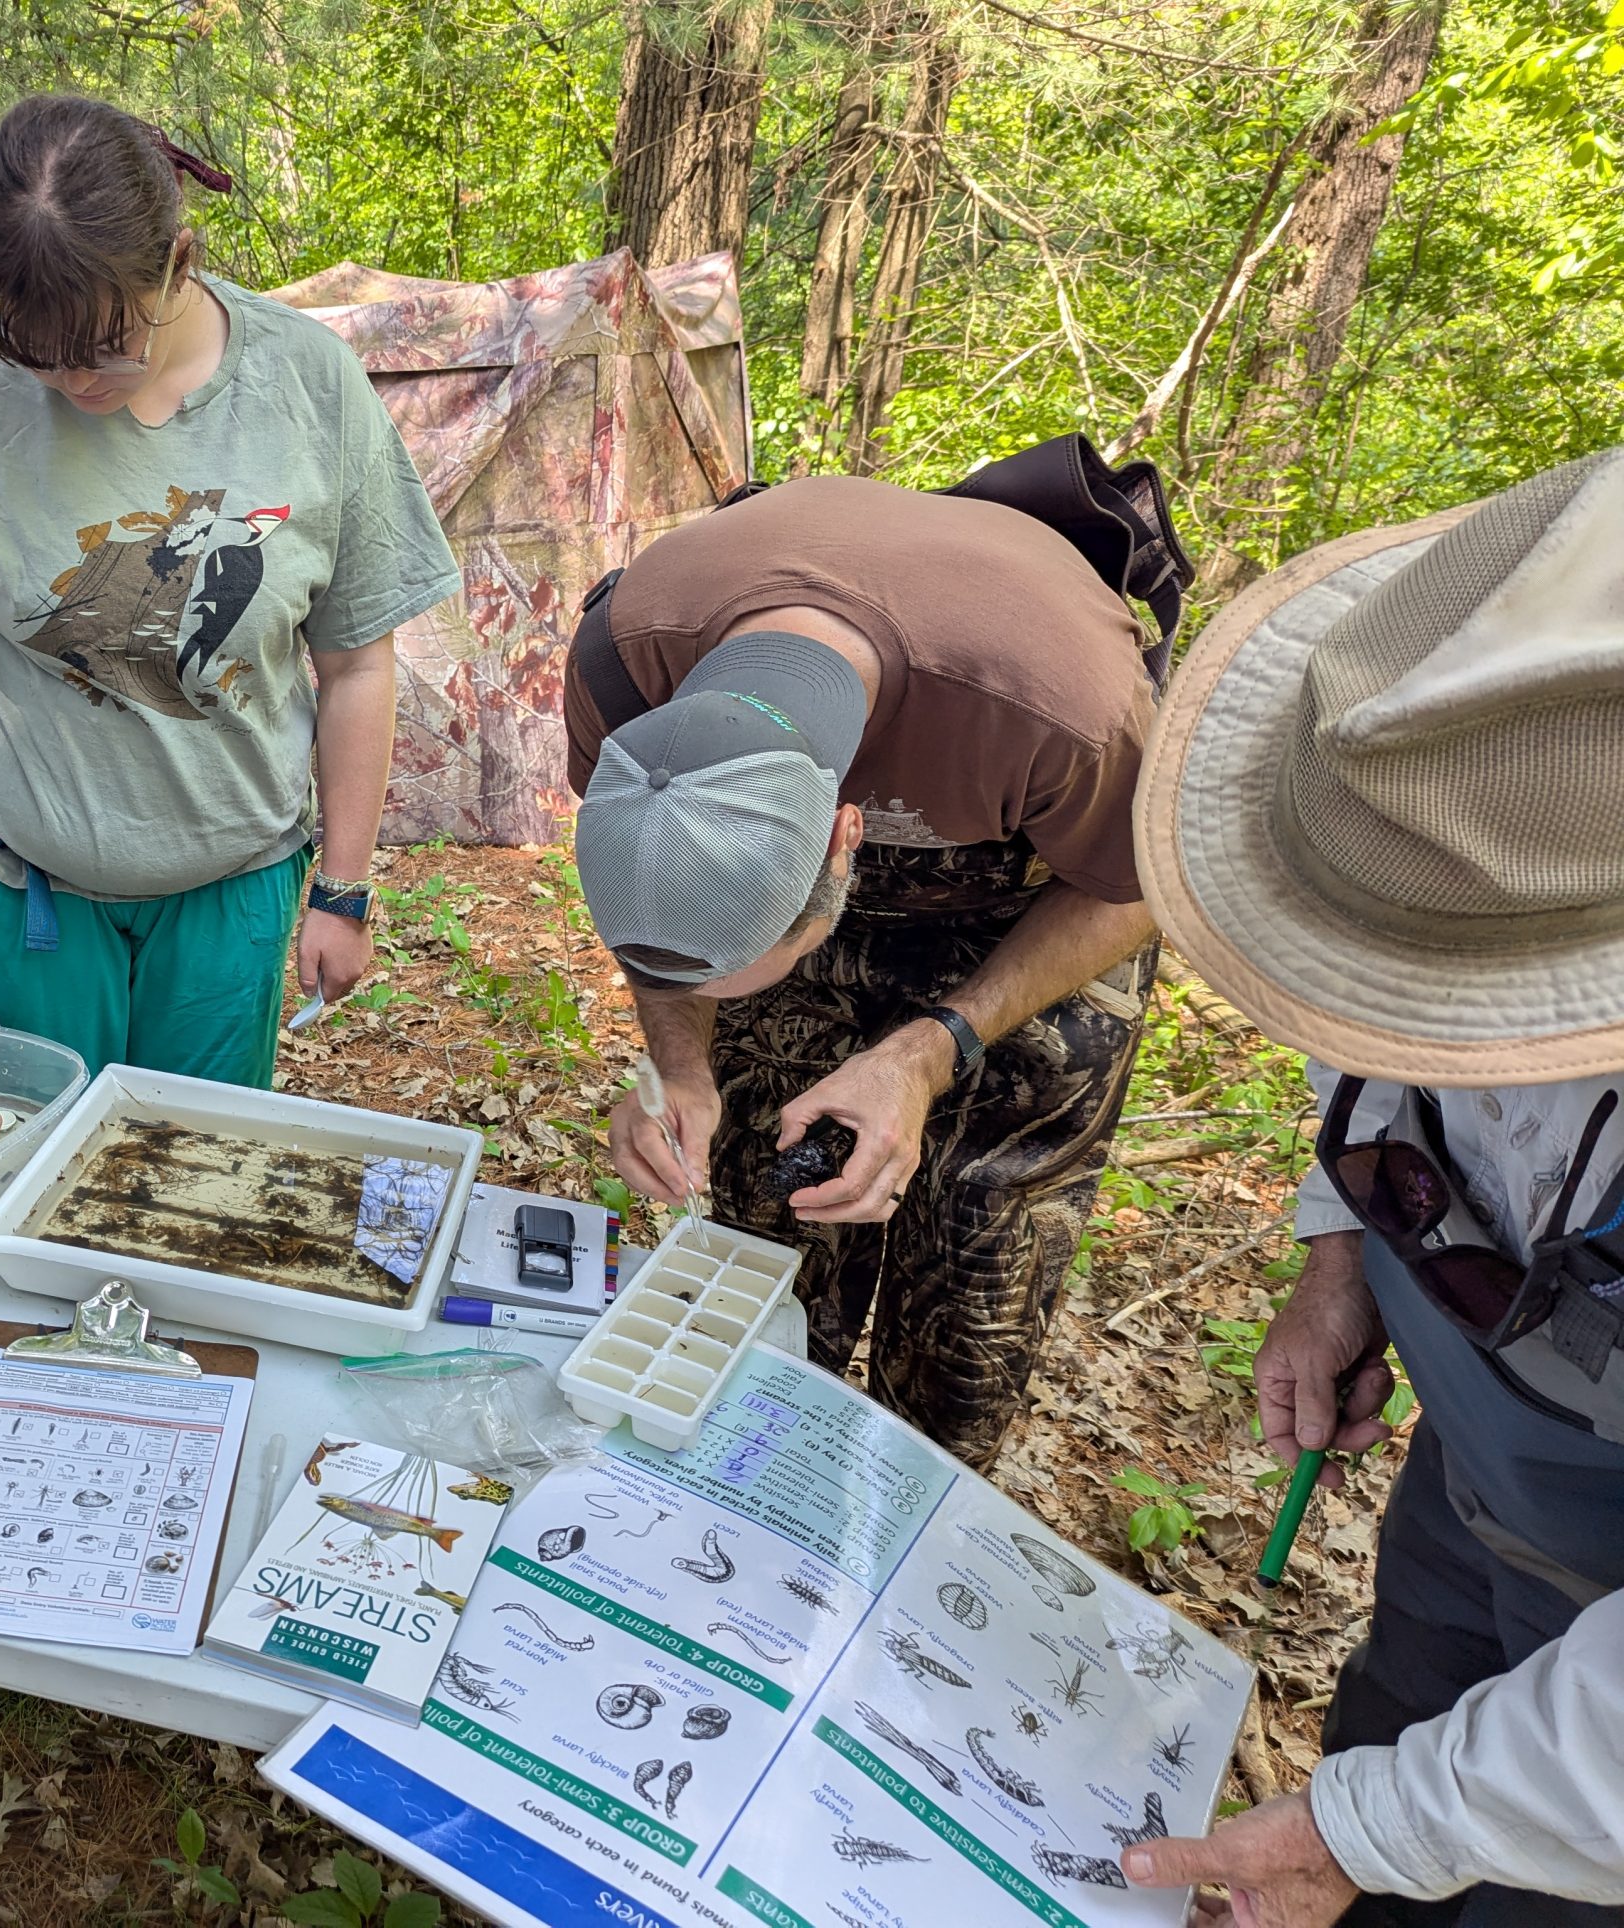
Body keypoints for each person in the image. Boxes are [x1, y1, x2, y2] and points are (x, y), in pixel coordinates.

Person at [1120, 452, 1624, 1926]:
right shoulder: (1487, 813)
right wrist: (1342, 1266)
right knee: (1393, 1723)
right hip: (1474, 1500)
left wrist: (1378, 1833)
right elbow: (1390, 1046)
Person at [0, 93, 460, 1086]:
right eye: (36, 355)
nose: (75, 382)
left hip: (232, 889)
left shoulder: (307, 384)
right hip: (13, 879)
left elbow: (354, 666)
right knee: (26, 1174)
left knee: (190, 1176)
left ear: (181, 259)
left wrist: (341, 886)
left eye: (105, 343)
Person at [569, 473, 1161, 1466]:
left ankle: (896, 1506)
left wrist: (934, 1050)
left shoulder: (1066, 715)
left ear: (852, 835)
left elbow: (1136, 887)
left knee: (975, 1257)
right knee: (776, 1182)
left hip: (1040, 881)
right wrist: (678, 1066)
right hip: (789, 850)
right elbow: (665, 913)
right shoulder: (624, 675)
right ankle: (750, 1467)